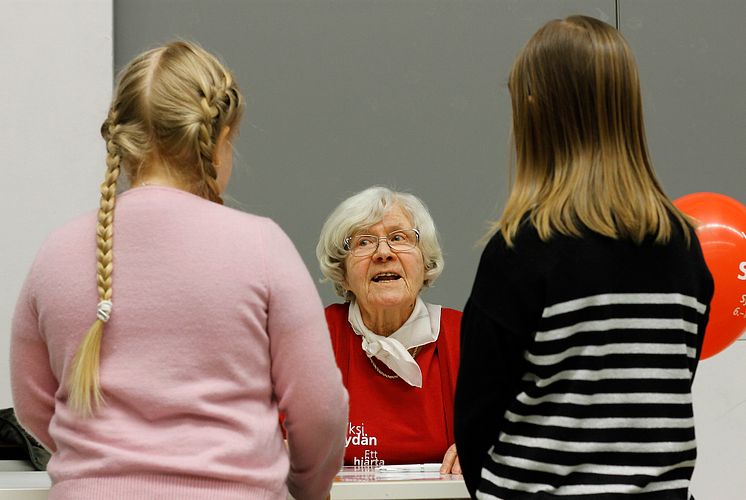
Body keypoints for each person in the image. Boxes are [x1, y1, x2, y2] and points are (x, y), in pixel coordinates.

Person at [10, 41, 347, 500]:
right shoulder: (261, 245)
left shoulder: (57, 251)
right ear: (221, 138)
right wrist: (310, 488)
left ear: (122, 141)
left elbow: (34, 407)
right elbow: (320, 409)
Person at [454, 15, 714, 499]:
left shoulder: (520, 249)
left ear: (535, 114)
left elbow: (476, 422)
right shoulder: (684, 248)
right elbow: (659, 394)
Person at [316, 186, 462, 473]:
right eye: (364, 242)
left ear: (425, 262)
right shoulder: (317, 338)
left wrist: (489, 446)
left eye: (398, 238)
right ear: (342, 273)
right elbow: (275, 441)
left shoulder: (466, 337)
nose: (383, 252)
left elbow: (516, 433)